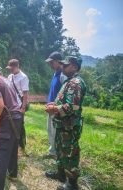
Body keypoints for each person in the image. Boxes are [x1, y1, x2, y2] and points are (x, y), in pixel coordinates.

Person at [45, 56, 86, 190]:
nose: (63, 67)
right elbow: (64, 101)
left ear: (74, 67)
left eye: (66, 65)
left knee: (70, 152)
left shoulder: (75, 83)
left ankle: (72, 184)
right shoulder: (69, 81)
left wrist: (54, 108)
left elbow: (72, 106)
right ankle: (61, 174)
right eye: (62, 64)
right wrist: (55, 103)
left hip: (69, 125)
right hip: (63, 124)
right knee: (60, 148)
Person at [45, 51, 66, 158]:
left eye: (52, 62)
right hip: (50, 106)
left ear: (58, 61)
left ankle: (56, 153)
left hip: (56, 108)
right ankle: (52, 151)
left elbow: (65, 94)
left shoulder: (63, 75)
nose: (50, 64)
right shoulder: (55, 73)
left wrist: (56, 106)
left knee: (55, 131)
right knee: (50, 130)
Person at [7, 59, 29, 154]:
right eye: (9, 68)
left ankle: (22, 145)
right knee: (10, 124)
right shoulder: (10, 76)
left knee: (20, 126)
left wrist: (23, 107)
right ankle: (12, 144)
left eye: (11, 68)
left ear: (17, 67)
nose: (10, 70)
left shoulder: (23, 77)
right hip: (10, 105)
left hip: (19, 106)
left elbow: (25, 94)